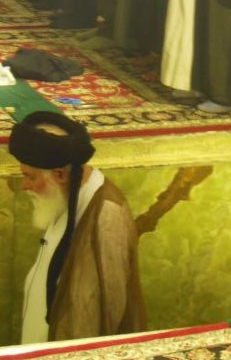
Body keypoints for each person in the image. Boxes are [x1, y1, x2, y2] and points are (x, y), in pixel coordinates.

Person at [9, 111, 145, 343]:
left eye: (30, 177)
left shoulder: (106, 215)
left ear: (60, 175)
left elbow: (102, 315)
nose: (24, 186)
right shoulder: (64, 194)